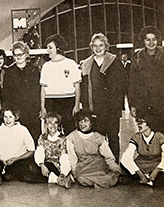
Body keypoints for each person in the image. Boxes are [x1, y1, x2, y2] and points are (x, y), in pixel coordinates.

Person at [80, 33, 126, 161]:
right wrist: (86, 107)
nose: (98, 48)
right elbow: (84, 88)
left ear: (106, 46)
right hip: (95, 107)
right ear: (91, 47)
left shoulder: (115, 62)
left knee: (113, 137)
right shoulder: (87, 64)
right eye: (95, 45)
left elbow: (122, 85)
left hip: (112, 108)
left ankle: (114, 163)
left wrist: (118, 105)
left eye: (101, 45)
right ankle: (99, 165)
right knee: (97, 138)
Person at [67, 110, 121, 188]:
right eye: (80, 121)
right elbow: (72, 158)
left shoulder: (98, 137)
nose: (82, 124)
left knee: (110, 177)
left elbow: (108, 156)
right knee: (81, 179)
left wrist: (115, 169)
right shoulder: (71, 137)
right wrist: (74, 173)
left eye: (86, 121)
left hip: (98, 165)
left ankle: (97, 182)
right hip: (83, 166)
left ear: (91, 123)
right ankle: (99, 183)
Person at [40, 35, 81, 135]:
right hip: (51, 102)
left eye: (50, 47)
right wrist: (42, 106)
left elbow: (77, 87)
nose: (48, 50)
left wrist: (76, 105)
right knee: (53, 131)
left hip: (68, 101)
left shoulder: (71, 64)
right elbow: (43, 88)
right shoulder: (46, 66)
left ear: (58, 48)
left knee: (70, 130)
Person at [2, 42, 41, 142]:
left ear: (26, 54)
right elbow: (6, 93)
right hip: (16, 111)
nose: (18, 57)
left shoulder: (34, 70)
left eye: (21, 54)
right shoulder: (9, 72)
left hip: (32, 110)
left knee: (34, 137)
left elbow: (38, 91)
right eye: (16, 54)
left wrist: (40, 107)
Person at [129, 26, 164, 132]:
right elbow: (132, 83)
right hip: (142, 105)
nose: (151, 42)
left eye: (154, 39)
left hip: (161, 104)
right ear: (143, 41)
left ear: (158, 40)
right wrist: (132, 105)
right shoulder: (137, 58)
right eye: (147, 39)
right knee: (146, 137)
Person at [0, 107, 42, 182]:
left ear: (16, 117)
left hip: (18, 160)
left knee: (24, 171)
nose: (7, 120)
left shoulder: (22, 129)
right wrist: (1, 159)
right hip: (3, 162)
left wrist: (16, 158)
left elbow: (31, 151)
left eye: (10, 117)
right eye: (5, 117)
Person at [120, 115, 164, 187]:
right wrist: (139, 174)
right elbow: (126, 157)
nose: (138, 124)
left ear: (149, 123)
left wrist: (156, 171)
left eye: (141, 122)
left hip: (156, 164)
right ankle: (147, 179)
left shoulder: (159, 137)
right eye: (137, 122)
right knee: (123, 165)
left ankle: (146, 179)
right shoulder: (136, 137)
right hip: (142, 165)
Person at [34, 112, 72, 188]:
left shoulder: (62, 139)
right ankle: (57, 180)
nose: (53, 125)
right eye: (50, 123)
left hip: (55, 166)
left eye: (55, 123)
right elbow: (39, 152)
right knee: (31, 169)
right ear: (46, 125)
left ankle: (61, 178)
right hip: (44, 165)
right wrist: (41, 165)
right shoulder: (42, 138)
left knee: (48, 165)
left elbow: (64, 158)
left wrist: (63, 173)